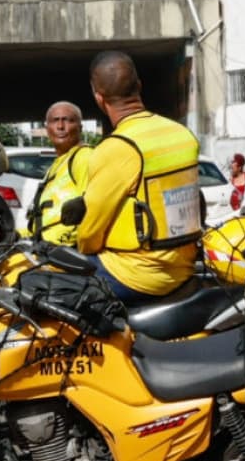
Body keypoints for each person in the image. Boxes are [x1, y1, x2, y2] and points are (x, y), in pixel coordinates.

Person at [74, 50, 201, 303]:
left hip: (137, 277)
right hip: (185, 266)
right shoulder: (183, 135)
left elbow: (89, 235)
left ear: (99, 98)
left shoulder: (116, 148)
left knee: (48, 280)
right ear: (139, 85)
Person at [26, 101, 91, 245]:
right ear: (47, 128)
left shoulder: (83, 157)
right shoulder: (58, 163)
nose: (61, 126)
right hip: (45, 248)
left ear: (80, 127)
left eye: (68, 120)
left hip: (67, 252)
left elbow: (93, 208)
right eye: (55, 121)